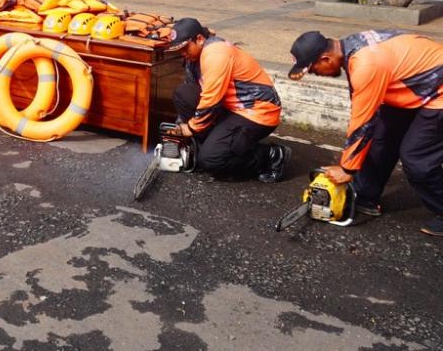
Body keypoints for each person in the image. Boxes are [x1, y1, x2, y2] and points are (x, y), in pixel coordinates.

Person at [287, 30, 443, 237]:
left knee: (417, 158)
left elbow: (363, 121)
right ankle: (366, 196)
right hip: (416, 84)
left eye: (314, 69)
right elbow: (365, 119)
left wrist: (347, 169)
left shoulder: (366, 65)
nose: (315, 73)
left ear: (326, 58)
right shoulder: (352, 48)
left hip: (436, 89)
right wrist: (348, 160)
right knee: (381, 138)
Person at [168, 18, 289, 183]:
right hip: (230, 106)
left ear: (199, 39)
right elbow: (195, 92)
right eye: (178, 50)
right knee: (183, 94)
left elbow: (210, 101)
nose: (182, 53)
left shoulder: (215, 54)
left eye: (185, 48)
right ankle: (215, 143)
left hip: (257, 113)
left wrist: (190, 128)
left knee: (211, 160)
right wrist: (180, 123)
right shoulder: (193, 57)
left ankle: (271, 155)